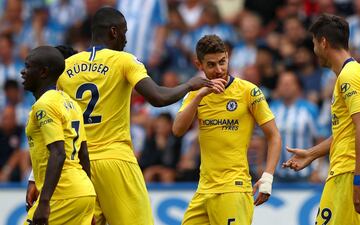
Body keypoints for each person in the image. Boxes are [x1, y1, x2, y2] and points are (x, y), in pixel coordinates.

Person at [28, 7, 215, 225]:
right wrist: (189, 85)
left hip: (79, 167)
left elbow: (50, 122)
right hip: (116, 161)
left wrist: (34, 176)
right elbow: (158, 97)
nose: (126, 39)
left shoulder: (65, 66)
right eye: (125, 32)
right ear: (114, 32)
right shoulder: (124, 60)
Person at [283, 14, 360, 225]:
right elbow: (349, 132)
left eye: (314, 43)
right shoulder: (357, 73)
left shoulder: (349, 77)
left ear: (323, 42)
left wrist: (358, 181)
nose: (314, 50)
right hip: (354, 171)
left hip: (350, 173)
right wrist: (311, 154)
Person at [173, 34, 282, 225]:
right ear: (199, 65)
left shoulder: (249, 91)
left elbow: (273, 135)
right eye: (211, 65)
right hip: (204, 190)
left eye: (222, 62)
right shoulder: (195, 93)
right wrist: (200, 96)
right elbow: (177, 130)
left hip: (234, 188)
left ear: (228, 58)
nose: (219, 70)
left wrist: (267, 177)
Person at [22, 46, 95, 225]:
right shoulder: (71, 103)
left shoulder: (45, 105)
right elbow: (83, 154)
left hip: (62, 193)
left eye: (28, 66)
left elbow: (58, 152)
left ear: (43, 72)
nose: (23, 72)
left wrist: (45, 203)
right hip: (82, 191)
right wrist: (89, 201)